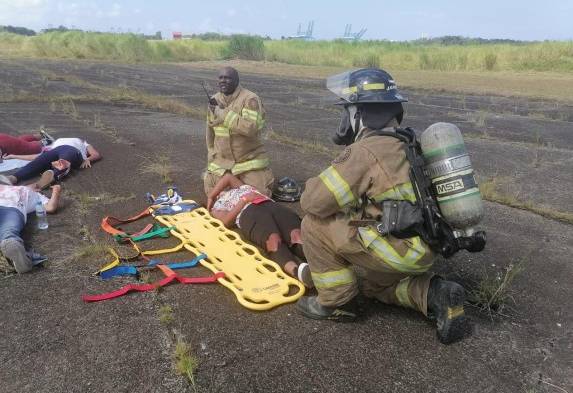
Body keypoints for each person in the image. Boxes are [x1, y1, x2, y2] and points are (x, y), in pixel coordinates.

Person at [296, 68, 469, 344]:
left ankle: (337, 302)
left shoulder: (366, 151)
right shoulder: (410, 142)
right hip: (424, 247)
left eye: (348, 110)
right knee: (376, 287)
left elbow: (315, 202)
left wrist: (310, 185)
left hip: (397, 247)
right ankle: (437, 294)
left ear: (359, 113)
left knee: (314, 224)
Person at [207, 173, 312, 288]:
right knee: (273, 240)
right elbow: (225, 221)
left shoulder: (242, 187)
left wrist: (211, 196)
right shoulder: (218, 205)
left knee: (296, 234)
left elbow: (228, 177)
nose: (221, 188)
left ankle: (320, 261)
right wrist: (244, 200)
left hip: (271, 205)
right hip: (249, 213)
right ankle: (298, 272)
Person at [204, 67, 274, 197]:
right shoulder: (214, 100)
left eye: (227, 78)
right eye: (220, 78)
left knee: (259, 196)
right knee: (212, 192)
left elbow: (251, 128)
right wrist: (211, 152)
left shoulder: (250, 99)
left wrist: (223, 114)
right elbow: (210, 130)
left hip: (248, 162)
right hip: (223, 162)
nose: (223, 81)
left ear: (237, 81)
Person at [0, 175, 61, 274]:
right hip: (13, 210)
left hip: (12, 209)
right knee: (9, 230)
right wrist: (56, 191)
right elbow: (51, 207)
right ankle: (12, 243)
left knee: (9, 232)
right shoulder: (26, 191)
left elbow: (50, 207)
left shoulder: (33, 194)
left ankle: (14, 247)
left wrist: (56, 191)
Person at [3, 137, 101, 187]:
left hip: (72, 150)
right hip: (56, 150)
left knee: (63, 163)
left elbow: (96, 154)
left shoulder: (83, 142)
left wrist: (88, 159)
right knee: (38, 162)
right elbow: (36, 157)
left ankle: (41, 182)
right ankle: (13, 178)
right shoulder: (55, 143)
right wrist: (13, 156)